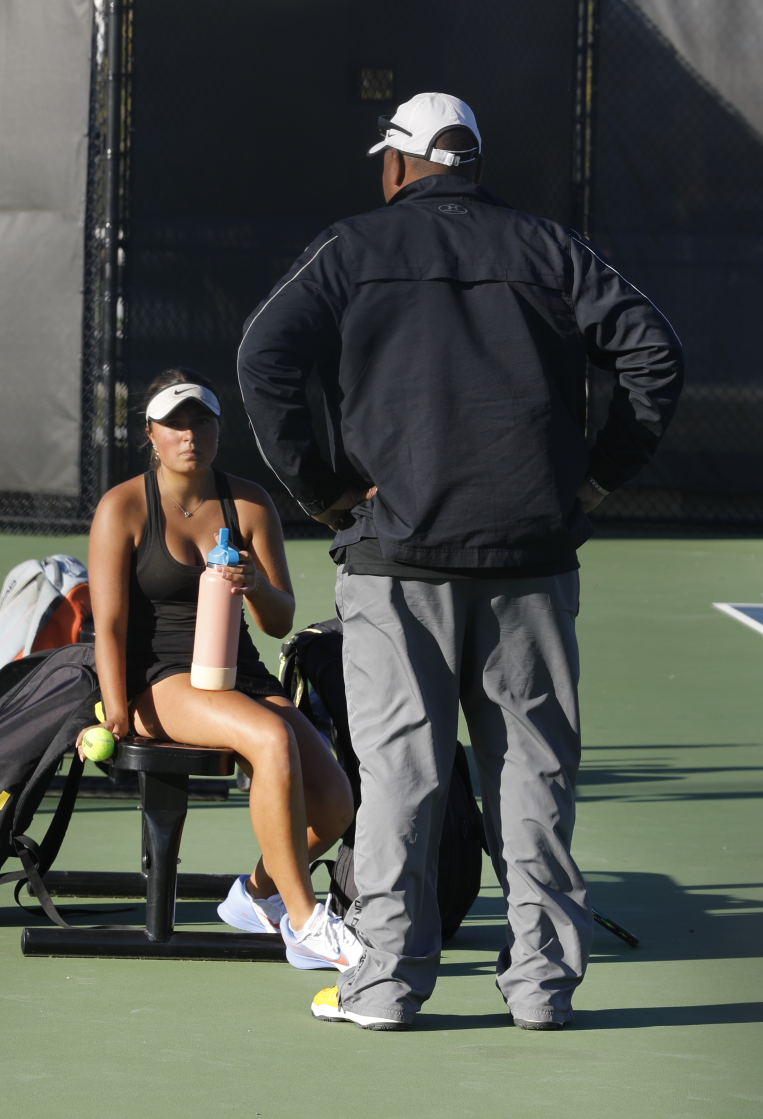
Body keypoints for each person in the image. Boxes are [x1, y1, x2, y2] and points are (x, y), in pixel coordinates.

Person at [237, 93, 683, 1030]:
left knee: (402, 774)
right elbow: (655, 353)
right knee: (533, 773)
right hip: (531, 557)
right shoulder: (549, 248)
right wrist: (594, 483)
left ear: (398, 167)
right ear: (474, 163)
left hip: (395, 560)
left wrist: (321, 491)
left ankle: (390, 984)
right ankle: (543, 989)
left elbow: (261, 355)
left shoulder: (354, 247)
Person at [84, 366, 356, 969]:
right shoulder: (122, 507)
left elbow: (278, 621)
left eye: (201, 421)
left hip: (243, 676)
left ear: (217, 430)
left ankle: (254, 898)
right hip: (159, 680)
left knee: (336, 804)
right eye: (174, 423)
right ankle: (307, 921)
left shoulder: (249, 502)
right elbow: (109, 625)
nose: (189, 435)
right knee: (271, 737)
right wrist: (117, 706)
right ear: (150, 434)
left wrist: (254, 583)